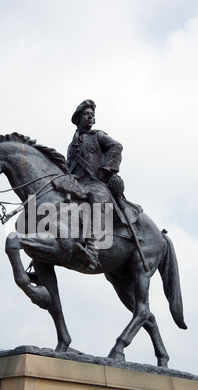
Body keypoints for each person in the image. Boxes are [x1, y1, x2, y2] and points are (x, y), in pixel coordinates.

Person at [67, 99, 124, 270]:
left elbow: (117, 147)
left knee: (96, 197)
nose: (91, 117)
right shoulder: (71, 146)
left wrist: (107, 169)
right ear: (78, 117)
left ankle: (92, 249)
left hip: (95, 183)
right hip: (77, 184)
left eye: (93, 115)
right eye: (87, 114)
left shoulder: (98, 136)